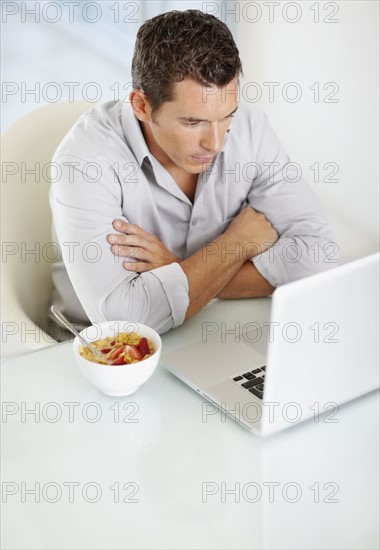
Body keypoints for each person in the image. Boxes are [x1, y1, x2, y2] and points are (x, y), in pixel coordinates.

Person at [48, 9, 338, 340]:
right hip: (99, 352)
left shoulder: (250, 130)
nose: (215, 143)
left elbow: (320, 257)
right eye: (193, 122)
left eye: (226, 116)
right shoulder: (84, 162)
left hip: (213, 327)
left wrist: (176, 266)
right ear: (141, 106)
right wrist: (235, 244)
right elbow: (125, 321)